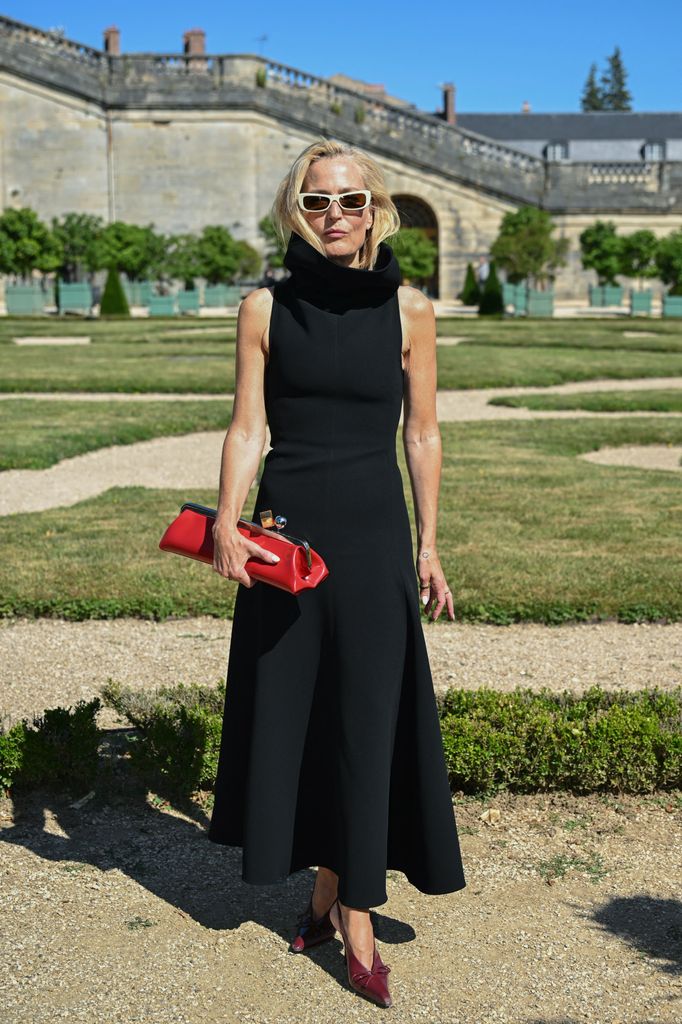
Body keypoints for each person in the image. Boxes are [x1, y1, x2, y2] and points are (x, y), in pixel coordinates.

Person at [207, 137, 466, 1009]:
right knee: (301, 712)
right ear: (295, 210)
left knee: (365, 714)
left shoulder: (411, 312)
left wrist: (428, 545)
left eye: (351, 201)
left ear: (376, 210)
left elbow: (421, 435)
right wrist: (226, 522)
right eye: (317, 201)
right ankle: (326, 891)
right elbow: (247, 428)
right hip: (286, 535)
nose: (335, 216)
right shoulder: (262, 309)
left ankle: (353, 908)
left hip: (371, 536)